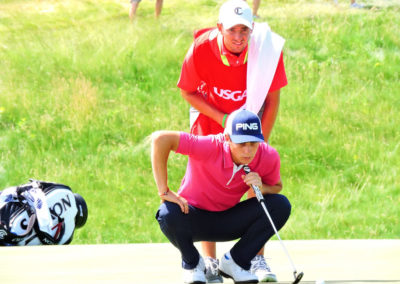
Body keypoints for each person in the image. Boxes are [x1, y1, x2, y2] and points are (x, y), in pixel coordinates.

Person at [177, 0, 287, 282]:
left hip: (252, 122)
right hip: (211, 117)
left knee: (256, 182)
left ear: (252, 28)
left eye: (244, 30)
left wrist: (258, 144)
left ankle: (256, 260)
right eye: (232, 30)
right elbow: (188, 92)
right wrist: (222, 119)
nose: (239, 37)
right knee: (204, 187)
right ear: (219, 28)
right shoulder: (201, 48)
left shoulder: (266, 51)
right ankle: (211, 264)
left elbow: (273, 102)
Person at [152, 109, 291, 284]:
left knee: (281, 205)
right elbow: (160, 139)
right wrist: (164, 191)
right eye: (241, 143)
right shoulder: (208, 146)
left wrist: (261, 186)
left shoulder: (267, 156)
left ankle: (236, 261)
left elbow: (277, 187)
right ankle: (193, 263)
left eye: (253, 143)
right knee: (167, 213)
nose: (248, 151)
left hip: (229, 220)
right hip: (193, 217)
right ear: (227, 138)